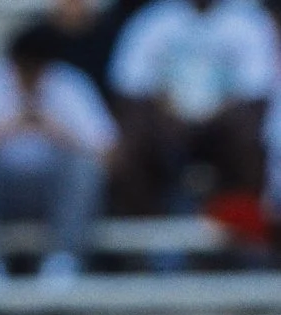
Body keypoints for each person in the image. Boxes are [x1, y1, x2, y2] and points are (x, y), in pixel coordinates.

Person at [0, 23, 117, 279]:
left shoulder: (68, 83)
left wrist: (56, 132)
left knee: (85, 168)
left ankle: (64, 261)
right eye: (24, 69)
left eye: (37, 70)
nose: (30, 77)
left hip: (51, 191)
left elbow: (108, 152)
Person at [107, 0, 275, 214]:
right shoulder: (156, 17)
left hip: (225, 120)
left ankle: (246, 221)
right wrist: (169, 108)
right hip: (165, 120)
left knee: (251, 134)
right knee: (131, 136)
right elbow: (129, 83)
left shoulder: (247, 19)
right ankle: (144, 220)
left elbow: (257, 89)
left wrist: (215, 110)